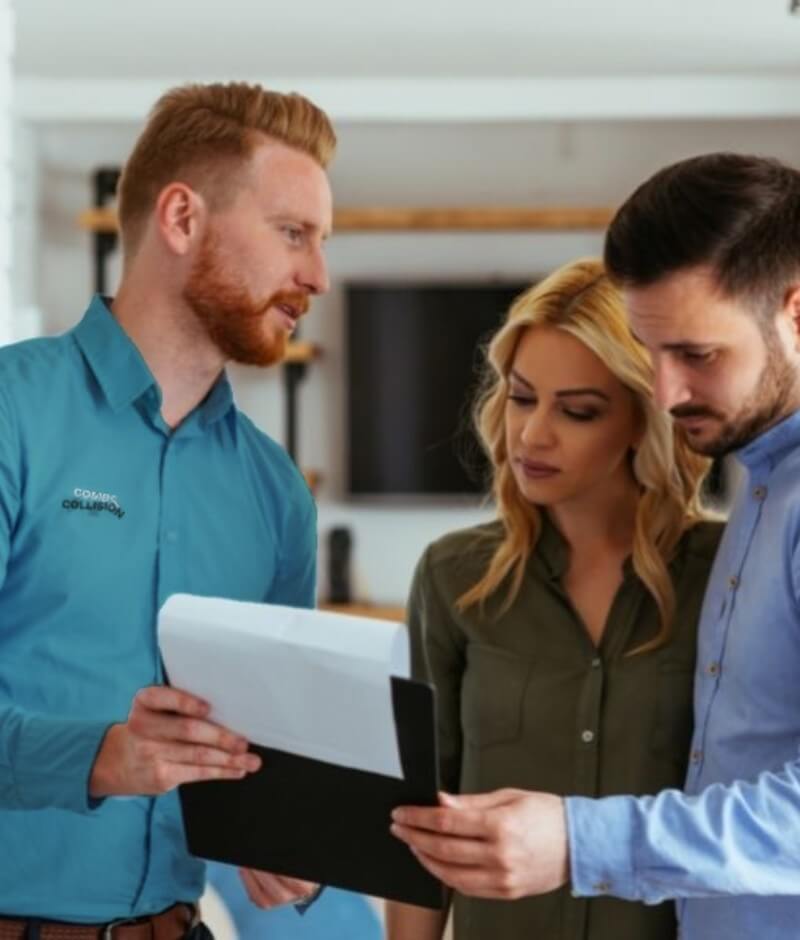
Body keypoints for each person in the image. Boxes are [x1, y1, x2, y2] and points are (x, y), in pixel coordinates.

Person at [390, 153, 800, 940]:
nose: (669, 391)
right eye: (519, 398)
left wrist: (580, 842)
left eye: (697, 355)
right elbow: (418, 808)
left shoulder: (717, 558)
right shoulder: (759, 492)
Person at [0, 81, 334, 938]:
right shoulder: (12, 415)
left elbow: (273, 753)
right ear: (181, 219)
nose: (317, 277)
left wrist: (293, 842)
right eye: (292, 233)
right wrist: (99, 755)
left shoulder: (275, 495)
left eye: (321, 243)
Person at [386, 258, 721, 940]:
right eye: (520, 396)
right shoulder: (454, 578)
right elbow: (420, 818)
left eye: (578, 411)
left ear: (642, 418)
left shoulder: (723, 575)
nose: (532, 435)